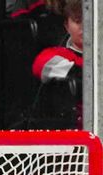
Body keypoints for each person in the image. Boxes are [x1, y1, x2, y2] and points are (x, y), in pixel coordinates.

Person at [30, 0, 82, 128]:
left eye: (90, 20)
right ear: (66, 26)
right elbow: (40, 66)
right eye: (77, 21)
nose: (85, 26)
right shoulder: (53, 54)